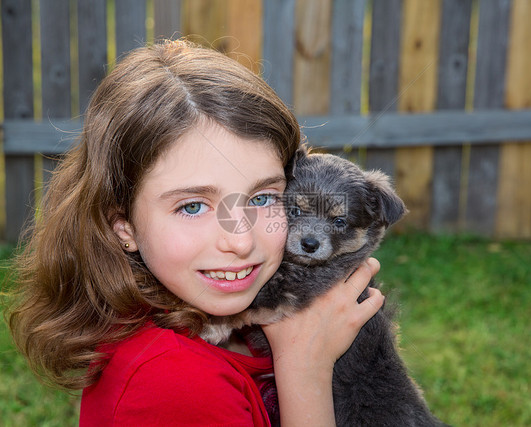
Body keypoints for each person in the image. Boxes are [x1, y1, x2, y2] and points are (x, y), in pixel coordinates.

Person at [7, 39, 384, 426]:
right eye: (192, 206)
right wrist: (304, 369)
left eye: (262, 198)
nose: (240, 240)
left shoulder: (213, 324)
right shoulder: (175, 383)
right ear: (124, 227)